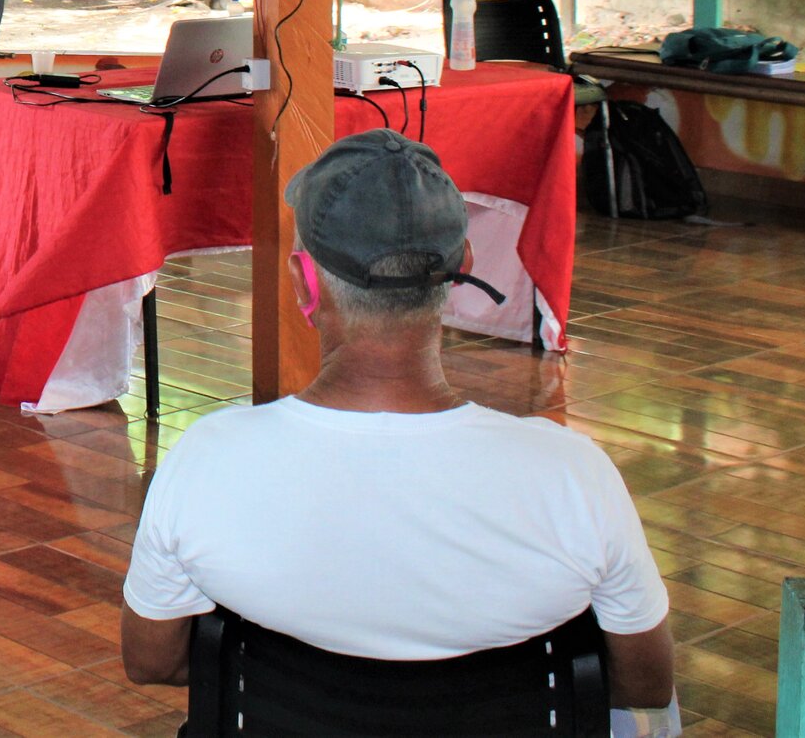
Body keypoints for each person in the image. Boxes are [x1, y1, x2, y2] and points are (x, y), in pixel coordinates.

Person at [119, 130, 677, 727]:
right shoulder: (573, 475)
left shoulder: (207, 460)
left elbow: (152, 661)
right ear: (462, 269)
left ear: (305, 283)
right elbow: (644, 683)